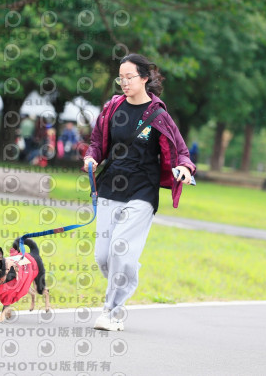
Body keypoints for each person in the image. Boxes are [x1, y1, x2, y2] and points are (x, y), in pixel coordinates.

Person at [83, 53, 195, 331]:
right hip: (110, 187)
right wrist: (91, 157)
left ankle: (111, 312)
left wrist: (184, 168)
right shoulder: (112, 108)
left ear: (145, 78)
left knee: (120, 250)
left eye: (129, 77)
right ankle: (128, 270)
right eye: (120, 78)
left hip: (142, 191)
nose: (124, 82)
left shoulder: (158, 115)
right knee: (104, 257)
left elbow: (181, 150)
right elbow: (97, 142)